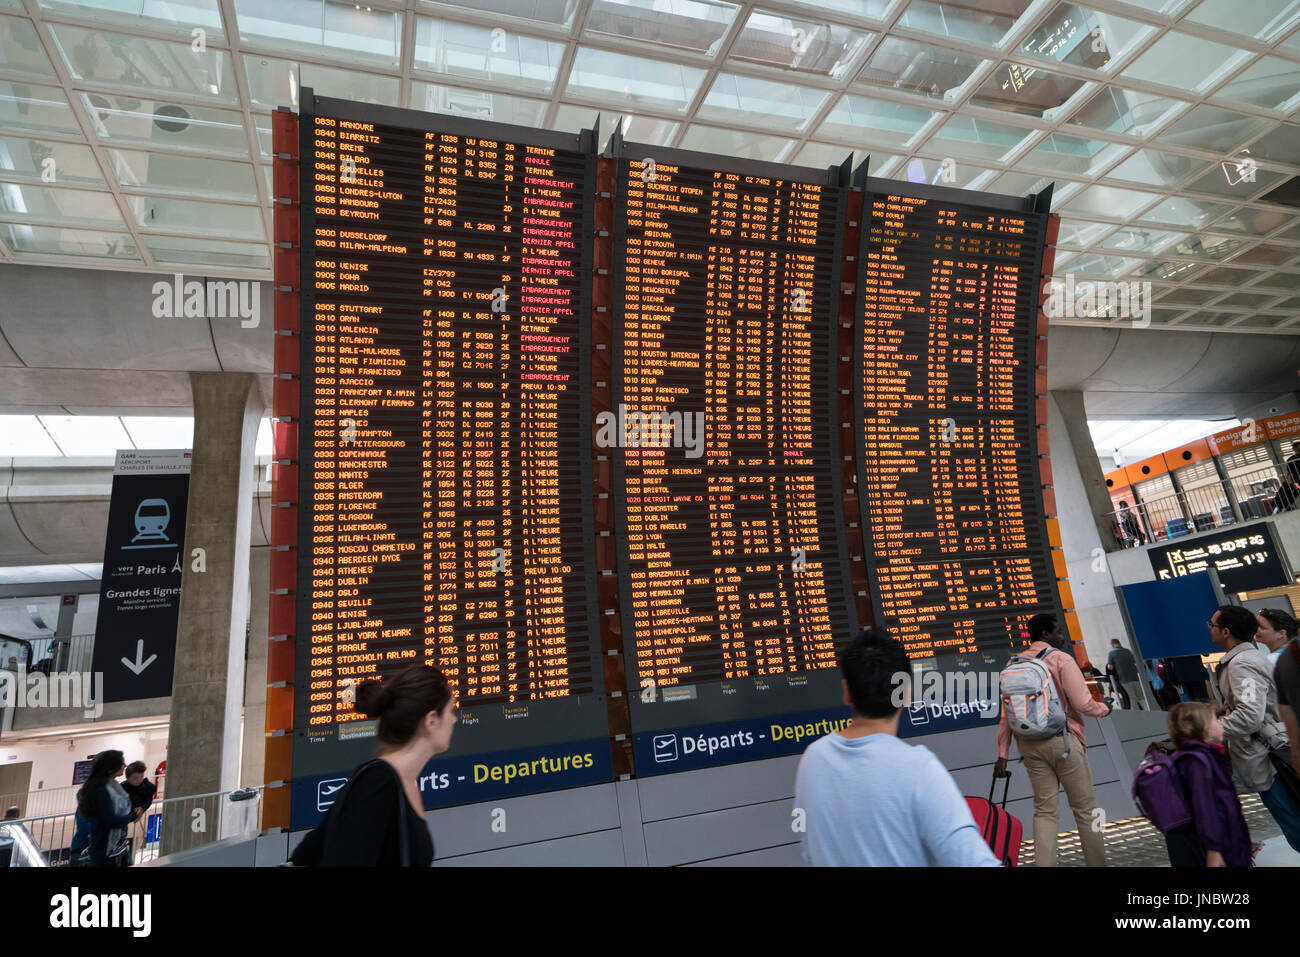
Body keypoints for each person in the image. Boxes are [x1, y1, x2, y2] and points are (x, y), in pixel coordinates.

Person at [794, 628, 999, 866]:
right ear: (906, 693)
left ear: (847, 692)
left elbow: (809, 852)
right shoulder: (919, 769)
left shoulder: (813, 759)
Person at [291, 665, 455, 867]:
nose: (454, 719)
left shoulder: (405, 784)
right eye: (450, 710)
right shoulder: (377, 784)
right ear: (431, 721)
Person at [994, 614, 1111, 867]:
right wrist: (1104, 709)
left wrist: (1003, 753)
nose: (1061, 636)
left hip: (1029, 746)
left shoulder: (1012, 664)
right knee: (1085, 811)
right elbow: (1083, 703)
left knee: (1045, 813)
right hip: (1064, 741)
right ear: (1045, 634)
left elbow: (1006, 715)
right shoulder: (1060, 659)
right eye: (1057, 631)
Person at [1208, 605, 1300, 853]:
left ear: (1226, 631)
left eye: (1212, 625)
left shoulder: (1243, 664)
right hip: (1273, 753)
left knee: (1295, 826)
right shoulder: (1248, 658)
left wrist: (1211, 729)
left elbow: (1250, 715)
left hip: (1269, 759)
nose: (1209, 628)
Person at [1163, 702, 1254, 867]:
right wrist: (1214, 850)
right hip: (1212, 851)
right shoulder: (1197, 762)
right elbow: (1206, 808)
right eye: (1216, 721)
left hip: (1222, 844)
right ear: (1202, 728)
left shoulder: (1198, 757)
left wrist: (1242, 841)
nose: (1221, 725)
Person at [75, 750, 144, 867]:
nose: (125, 766)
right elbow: (111, 821)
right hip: (104, 850)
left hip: (109, 847)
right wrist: (134, 816)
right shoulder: (101, 790)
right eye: (122, 764)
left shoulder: (109, 786)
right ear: (111, 768)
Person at [1107, 639, 1145, 710]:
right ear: (1119, 643)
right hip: (1135, 677)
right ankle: (1148, 711)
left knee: (1131, 698)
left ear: (1112, 645)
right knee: (1141, 697)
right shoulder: (1128, 651)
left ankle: (1138, 716)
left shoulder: (1111, 653)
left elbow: (1110, 667)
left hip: (1124, 679)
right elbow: (1134, 662)